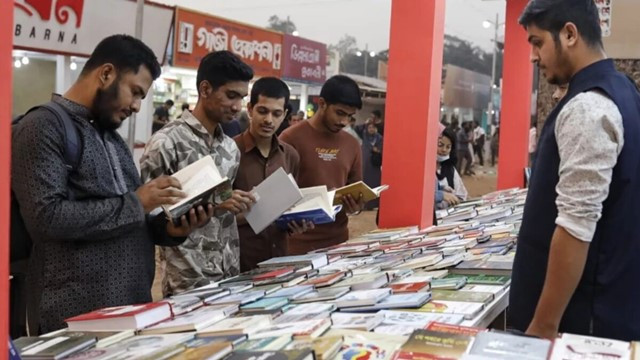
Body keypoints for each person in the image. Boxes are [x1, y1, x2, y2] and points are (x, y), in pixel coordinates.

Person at [11, 35, 213, 334]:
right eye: (135, 92)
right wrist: (138, 202)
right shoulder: (42, 127)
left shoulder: (111, 138)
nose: (136, 106)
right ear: (106, 74)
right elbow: (46, 218)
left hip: (130, 310)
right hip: (75, 319)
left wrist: (169, 230)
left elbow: (127, 219)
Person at [510, 0, 640, 341]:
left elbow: (575, 226)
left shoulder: (588, 108)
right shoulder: (624, 89)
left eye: (537, 42)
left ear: (569, 34)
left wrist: (544, 324)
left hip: (582, 318)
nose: (534, 56)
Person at [140, 51, 256, 296]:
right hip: (187, 282)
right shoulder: (166, 142)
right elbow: (148, 218)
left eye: (242, 98)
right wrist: (214, 203)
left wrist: (239, 203)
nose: (237, 107)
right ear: (205, 89)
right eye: (231, 96)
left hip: (230, 276)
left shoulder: (230, 148)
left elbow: (224, 211)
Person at [233, 77, 313, 271]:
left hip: (280, 263)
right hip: (239, 264)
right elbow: (216, 216)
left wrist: (295, 223)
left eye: (276, 113)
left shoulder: (290, 156)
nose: (269, 120)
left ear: (285, 114)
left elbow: (289, 207)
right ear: (250, 108)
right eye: (263, 111)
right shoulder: (230, 152)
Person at [279, 75, 365, 254]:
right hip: (296, 246)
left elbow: (356, 190)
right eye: (340, 113)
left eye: (349, 116)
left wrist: (356, 207)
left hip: (338, 244)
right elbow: (277, 199)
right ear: (322, 103)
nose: (344, 122)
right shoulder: (290, 139)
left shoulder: (352, 144)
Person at [436, 128, 468, 208]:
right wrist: (441, 195)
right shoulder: (424, 168)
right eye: (440, 145)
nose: (444, 150)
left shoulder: (450, 169)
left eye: (448, 147)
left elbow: (462, 195)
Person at [361, 122, 383, 210]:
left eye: (373, 127)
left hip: (375, 167)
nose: (371, 129)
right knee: (366, 184)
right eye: (369, 127)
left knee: (375, 184)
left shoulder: (380, 139)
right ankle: (366, 204)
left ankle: (374, 204)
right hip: (366, 166)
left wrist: (378, 151)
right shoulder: (364, 138)